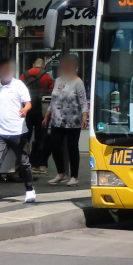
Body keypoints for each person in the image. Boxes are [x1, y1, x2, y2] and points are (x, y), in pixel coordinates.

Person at [0, 59, 35, 206]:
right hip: (0, 132)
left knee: (24, 163)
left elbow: (28, 102)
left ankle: (29, 189)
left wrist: (25, 109)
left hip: (18, 131)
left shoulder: (19, 85)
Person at [44, 54, 88, 186]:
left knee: (72, 147)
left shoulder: (77, 82)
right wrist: (47, 115)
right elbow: (53, 100)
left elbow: (83, 102)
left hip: (73, 120)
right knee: (55, 145)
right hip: (57, 120)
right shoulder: (57, 80)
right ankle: (61, 173)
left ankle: (74, 176)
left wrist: (84, 117)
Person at [22, 58, 54, 174]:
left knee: (26, 136)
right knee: (41, 138)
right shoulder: (47, 76)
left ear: (33, 64)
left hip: (27, 110)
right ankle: (38, 164)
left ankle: (23, 163)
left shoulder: (24, 75)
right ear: (44, 66)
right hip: (42, 111)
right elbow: (53, 91)